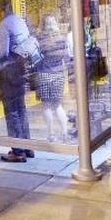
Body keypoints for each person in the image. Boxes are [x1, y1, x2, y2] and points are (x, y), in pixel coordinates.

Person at [0, 0, 40, 162]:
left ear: (2, 9)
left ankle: (17, 152)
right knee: (21, 109)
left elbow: (3, 51)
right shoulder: (19, 20)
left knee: (11, 112)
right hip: (21, 70)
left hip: (9, 71)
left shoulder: (4, 24)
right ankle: (27, 148)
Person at [35, 14, 70, 142]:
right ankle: (65, 132)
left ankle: (51, 134)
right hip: (58, 74)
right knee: (58, 105)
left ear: (43, 25)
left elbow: (35, 58)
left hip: (44, 74)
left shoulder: (40, 40)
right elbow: (67, 57)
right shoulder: (62, 39)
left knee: (47, 106)